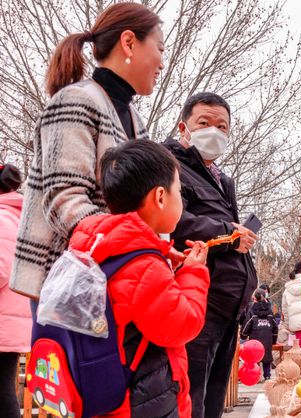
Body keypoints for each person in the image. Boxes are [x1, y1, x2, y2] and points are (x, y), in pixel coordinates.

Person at [10, 3, 166, 300]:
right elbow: (64, 199)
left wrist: (155, 250)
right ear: (129, 42)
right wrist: (134, 244)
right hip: (67, 284)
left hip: (112, 278)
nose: (162, 63)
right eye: (160, 48)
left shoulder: (135, 118)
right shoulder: (75, 100)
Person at [69, 140, 210, 417]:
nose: (181, 200)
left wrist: (162, 257)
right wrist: (193, 272)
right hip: (143, 398)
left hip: (101, 388)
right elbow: (183, 323)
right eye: (179, 191)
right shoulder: (144, 265)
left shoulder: (94, 246)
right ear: (160, 197)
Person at [164, 92, 258, 418]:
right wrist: (229, 234)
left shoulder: (221, 179)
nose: (214, 132)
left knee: (214, 397)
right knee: (192, 396)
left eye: (222, 126)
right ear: (183, 127)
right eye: (204, 123)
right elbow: (175, 221)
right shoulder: (169, 166)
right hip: (198, 299)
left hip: (229, 307)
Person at [0, 165, 31, 417]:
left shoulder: (1, 218)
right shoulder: (17, 216)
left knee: (2, 392)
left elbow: (1, 268)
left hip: (3, 322)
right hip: (10, 321)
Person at [241, 289, 278, 381]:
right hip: (267, 339)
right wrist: (274, 340)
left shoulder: (252, 311)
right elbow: (275, 327)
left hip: (255, 339)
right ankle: (267, 375)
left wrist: (244, 335)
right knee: (267, 356)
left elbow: (247, 324)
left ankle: (256, 376)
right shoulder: (270, 312)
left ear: (255, 298)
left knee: (255, 357)